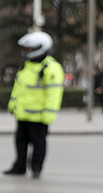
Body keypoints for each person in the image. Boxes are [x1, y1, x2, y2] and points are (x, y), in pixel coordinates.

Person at [4, 31, 64, 179]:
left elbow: (54, 93)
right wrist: (13, 105)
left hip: (39, 116)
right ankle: (20, 166)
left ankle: (36, 168)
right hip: (23, 113)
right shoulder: (26, 66)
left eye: (30, 49)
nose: (27, 51)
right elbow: (18, 88)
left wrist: (49, 114)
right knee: (20, 142)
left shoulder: (51, 68)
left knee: (38, 144)